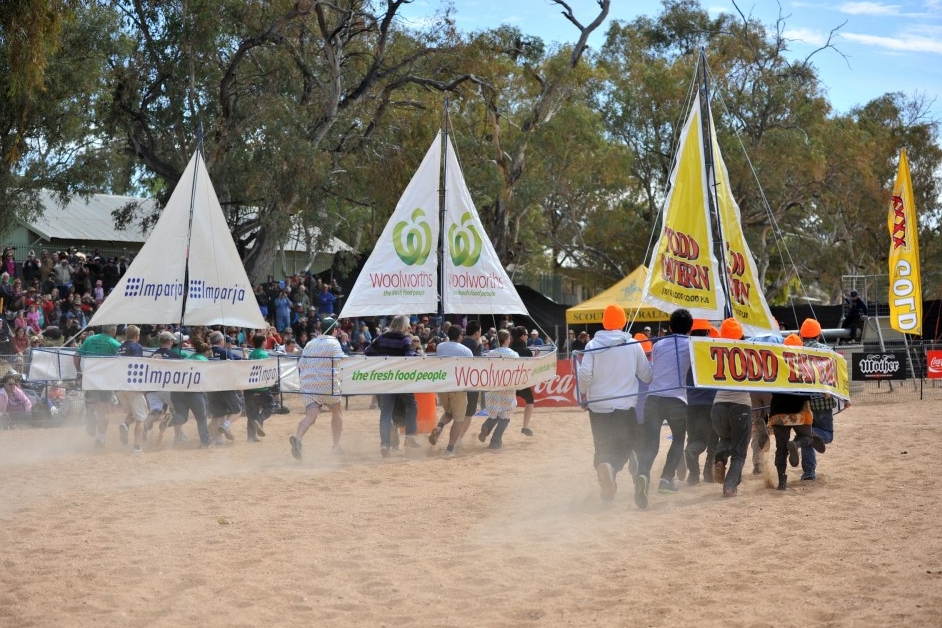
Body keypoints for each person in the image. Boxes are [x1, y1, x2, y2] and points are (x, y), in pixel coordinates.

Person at [577, 304, 653, 503]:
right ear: (623, 322)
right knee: (624, 447)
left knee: (602, 445)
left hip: (598, 405)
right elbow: (646, 376)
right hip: (625, 406)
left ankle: (605, 469)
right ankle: (612, 468)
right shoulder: (633, 344)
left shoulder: (592, 344)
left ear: (604, 322)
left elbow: (584, 374)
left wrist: (584, 392)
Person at [635, 308, 693, 508]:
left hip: (653, 398)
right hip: (676, 399)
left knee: (650, 443)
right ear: (690, 329)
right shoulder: (691, 345)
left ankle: (642, 474)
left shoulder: (658, 345)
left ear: (669, 327)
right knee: (678, 439)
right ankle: (666, 480)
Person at [709, 318, 754, 498]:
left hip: (718, 406)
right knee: (739, 453)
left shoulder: (713, 351)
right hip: (740, 405)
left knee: (725, 437)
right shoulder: (750, 352)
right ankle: (729, 487)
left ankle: (720, 458)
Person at [290, 317, 345, 460]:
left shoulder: (309, 343)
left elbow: (301, 364)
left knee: (310, 417)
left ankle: (298, 439)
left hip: (309, 386)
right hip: (328, 385)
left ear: (321, 330)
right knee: (337, 412)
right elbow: (340, 359)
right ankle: (336, 445)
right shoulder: (334, 343)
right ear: (334, 330)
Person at [364, 314, 418, 457]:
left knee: (386, 413)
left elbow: (367, 352)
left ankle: (385, 444)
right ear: (402, 326)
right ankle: (410, 436)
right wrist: (418, 355)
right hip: (401, 380)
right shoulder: (405, 339)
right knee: (412, 405)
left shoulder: (381, 337)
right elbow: (409, 356)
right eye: (407, 325)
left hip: (385, 380)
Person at [797, 319, 840, 481]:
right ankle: (803, 438)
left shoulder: (795, 350)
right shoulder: (827, 351)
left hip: (800, 400)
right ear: (818, 335)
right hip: (822, 399)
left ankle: (809, 473)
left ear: (801, 335)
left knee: (808, 433)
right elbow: (835, 375)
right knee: (827, 435)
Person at [427, 325, 473, 456]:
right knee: (459, 420)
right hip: (458, 387)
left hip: (443, 386)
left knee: (448, 413)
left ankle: (439, 427)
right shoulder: (466, 351)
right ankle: (450, 449)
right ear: (460, 336)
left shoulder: (440, 346)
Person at [73, 324, 121, 447]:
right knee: (103, 411)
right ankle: (100, 438)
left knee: (91, 404)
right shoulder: (114, 343)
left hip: (90, 380)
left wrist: (79, 372)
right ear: (113, 330)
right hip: (106, 382)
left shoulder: (90, 339)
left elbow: (76, 355)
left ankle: (91, 415)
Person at [683, 319, 718, 484]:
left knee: (693, 437)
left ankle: (693, 476)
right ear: (708, 332)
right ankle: (708, 474)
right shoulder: (713, 350)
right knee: (708, 440)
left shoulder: (687, 349)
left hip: (690, 403)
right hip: (709, 403)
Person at [477, 329, 519, 449]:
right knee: (505, 416)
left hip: (493, 388)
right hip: (508, 389)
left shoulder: (490, 354)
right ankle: (495, 441)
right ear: (506, 339)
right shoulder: (514, 355)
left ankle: (487, 426)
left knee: (495, 414)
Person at [114, 325, 149, 452]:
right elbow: (136, 365)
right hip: (132, 385)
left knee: (132, 413)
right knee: (141, 418)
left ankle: (126, 424)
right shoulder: (136, 347)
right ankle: (137, 446)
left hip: (119, 386)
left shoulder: (119, 348)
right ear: (137, 336)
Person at [207, 330, 244, 444]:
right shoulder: (226, 352)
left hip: (211, 387)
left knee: (219, 414)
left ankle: (218, 439)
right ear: (221, 341)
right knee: (237, 411)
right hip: (225, 386)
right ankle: (226, 426)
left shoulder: (206, 352)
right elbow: (233, 367)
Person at [244, 333, 275, 443]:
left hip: (250, 387)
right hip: (261, 388)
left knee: (252, 413)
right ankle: (259, 420)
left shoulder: (252, 354)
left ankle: (250, 437)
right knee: (270, 406)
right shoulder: (263, 354)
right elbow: (264, 371)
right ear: (263, 342)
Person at [508, 325, 536, 437]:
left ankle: (489, 427)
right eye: (526, 334)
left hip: (509, 381)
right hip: (521, 382)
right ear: (521, 336)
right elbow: (531, 366)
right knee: (530, 401)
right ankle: (525, 426)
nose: (527, 337)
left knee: (502, 408)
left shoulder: (510, 349)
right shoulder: (526, 350)